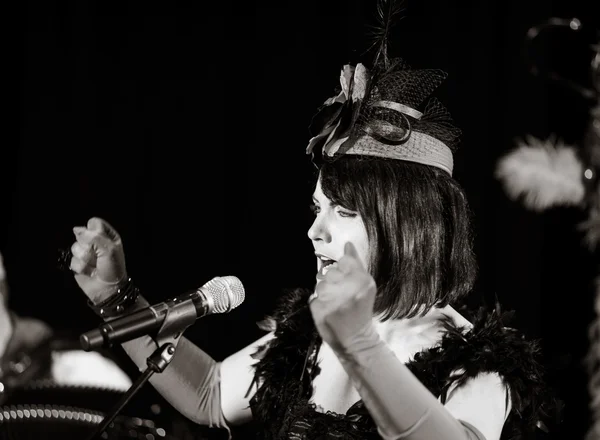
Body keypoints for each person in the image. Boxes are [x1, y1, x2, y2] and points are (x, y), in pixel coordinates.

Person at [67, 12, 556, 440]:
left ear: (406, 224)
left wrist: (358, 345)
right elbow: (211, 394)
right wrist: (116, 299)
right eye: (316, 209)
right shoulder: (308, 333)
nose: (315, 231)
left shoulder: (477, 360)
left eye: (343, 211)